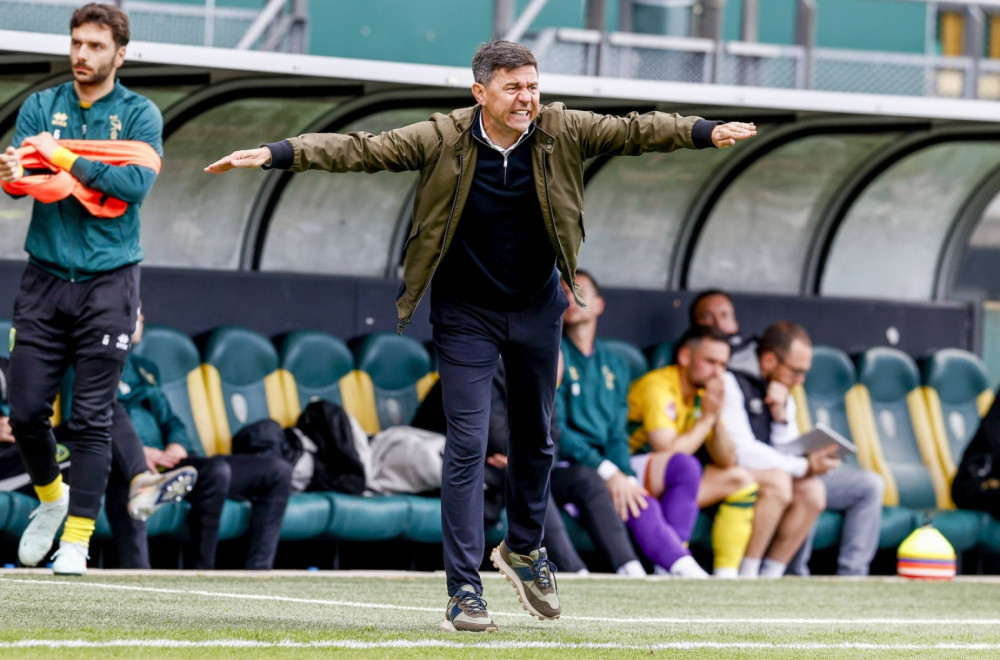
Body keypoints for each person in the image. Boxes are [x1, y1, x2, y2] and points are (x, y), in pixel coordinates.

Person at [206, 39, 756, 631]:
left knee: (537, 441)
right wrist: (276, 152)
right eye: (513, 87)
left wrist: (703, 131)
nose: (527, 98)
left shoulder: (562, 129)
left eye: (533, 86)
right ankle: (464, 591)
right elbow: (360, 149)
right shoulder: (442, 137)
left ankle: (524, 549)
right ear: (480, 93)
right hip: (465, 313)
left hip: (537, 308)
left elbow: (634, 130)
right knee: (466, 446)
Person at [0, 3, 163, 575]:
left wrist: (62, 157)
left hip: (110, 281)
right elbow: (26, 177)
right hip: (44, 277)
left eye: (95, 46)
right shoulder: (41, 105)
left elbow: (133, 184)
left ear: (120, 54)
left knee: (92, 417)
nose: (81, 55)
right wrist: (15, 176)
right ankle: (52, 499)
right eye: (76, 43)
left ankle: (77, 540)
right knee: (25, 411)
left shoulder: (140, 114)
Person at [695, 295, 885, 577]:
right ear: (769, 360)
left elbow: (787, 449)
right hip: (732, 471)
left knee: (816, 490)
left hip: (775, 471)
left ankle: (775, 573)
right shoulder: (730, 378)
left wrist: (780, 416)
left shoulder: (782, 387)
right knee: (783, 481)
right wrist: (804, 466)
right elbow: (741, 452)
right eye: (796, 371)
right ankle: (748, 572)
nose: (800, 380)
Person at [110, 306, 293, 570]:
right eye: (136, 309)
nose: (142, 317)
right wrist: (140, 453)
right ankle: (201, 570)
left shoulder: (146, 369)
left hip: (173, 466)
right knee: (217, 471)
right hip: (131, 467)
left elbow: (171, 420)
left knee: (277, 471)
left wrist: (177, 445)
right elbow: (89, 423)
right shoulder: (91, 366)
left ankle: (257, 572)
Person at [557, 271, 705, 577]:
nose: (570, 298)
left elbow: (617, 433)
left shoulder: (614, 362)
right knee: (636, 499)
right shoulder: (552, 354)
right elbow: (555, 430)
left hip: (609, 462)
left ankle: (671, 559)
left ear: (599, 304)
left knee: (684, 466)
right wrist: (608, 471)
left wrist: (623, 473)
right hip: (571, 466)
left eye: (578, 291)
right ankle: (680, 565)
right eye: (564, 292)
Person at [412, 358, 591, 575]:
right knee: (526, 479)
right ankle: (574, 570)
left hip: (499, 469)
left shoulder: (538, 380)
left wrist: (530, 461)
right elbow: (497, 439)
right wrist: (526, 460)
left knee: (578, 479)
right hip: (443, 465)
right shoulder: (486, 368)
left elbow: (551, 441)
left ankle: (623, 565)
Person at [627, 326, 764, 578]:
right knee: (683, 465)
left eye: (723, 365)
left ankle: (727, 575)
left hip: (665, 481)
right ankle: (672, 561)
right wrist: (706, 419)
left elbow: (727, 459)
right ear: (685, 357)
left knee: (741, 479)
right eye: (710, 362)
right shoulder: (658, 385)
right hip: (626, 472)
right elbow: (666, 451)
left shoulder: (703, 395)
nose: (718, 372)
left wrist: (715, 417)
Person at [689, 289, 757, 373]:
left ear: (735, 322)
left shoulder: (756, 348)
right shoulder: (688, 354)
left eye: (724, 315)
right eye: (708, 317)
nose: (718, 323)